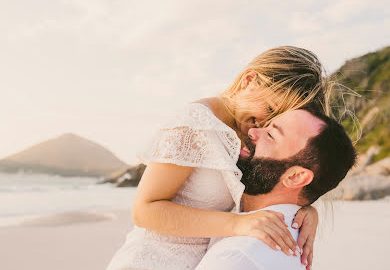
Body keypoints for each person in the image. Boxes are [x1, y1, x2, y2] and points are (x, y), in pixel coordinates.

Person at [107, 46, 331, 270]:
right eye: (270, 108)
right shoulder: (194, 123)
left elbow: (261, 190)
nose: (265, 124)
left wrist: (303, 210)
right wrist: (237, 224)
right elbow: (144, 211)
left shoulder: (252, 134)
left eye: (278, 120)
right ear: (249, 80)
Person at [196, 109, 357, 270]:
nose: (252, 131)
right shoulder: (286, 240)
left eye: (271, 135)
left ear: (295, 177)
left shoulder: (235, 257)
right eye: (265, 126)